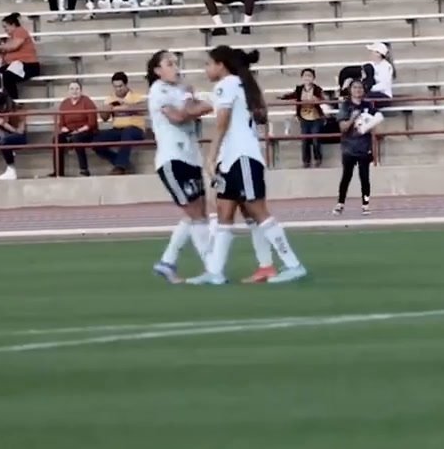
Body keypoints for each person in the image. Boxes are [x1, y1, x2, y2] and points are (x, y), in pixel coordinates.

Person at [187, 46, 307, 286]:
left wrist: (209, 157)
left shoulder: (227, 84)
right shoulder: (238, 84)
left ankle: (293, 264)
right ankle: (217, 271)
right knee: (225, 212)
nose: (206, 69)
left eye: (209, 64)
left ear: (221, 64)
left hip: (241, 157)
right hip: (232, 159)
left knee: (257, 211)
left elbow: (222, 122)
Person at [145, 50, 213, 283]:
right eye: (169, 63)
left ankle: (167, 262)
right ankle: (212, 267)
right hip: (172, 159)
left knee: (199, 213)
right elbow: (178, 117)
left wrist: (195, 105)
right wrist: (197, 106)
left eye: (176, 63)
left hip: (191, 157)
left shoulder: (182, 89)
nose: (175, 67)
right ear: (157, 70)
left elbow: (197, 108)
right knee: (196, 215)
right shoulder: (158, 91)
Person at [334, 79, 384, 215]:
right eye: (355, 87)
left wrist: (369, 125)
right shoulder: (345, 106)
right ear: (350, 90)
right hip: (349, 147)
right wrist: (352, 119)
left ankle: (365, 204)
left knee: (365, 177)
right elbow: (342, 128)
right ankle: (340, 203)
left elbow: (378, 117)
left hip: (364, 146)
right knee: (346, 176)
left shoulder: (368, 105)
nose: (358, 90)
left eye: (360, 88)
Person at [93, 71, 147, 175]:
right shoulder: (110, 98)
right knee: (96, 141)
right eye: (116, 86)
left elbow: (143, 108)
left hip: (136, 129)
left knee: (127, 133)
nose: (118, 89)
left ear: (126, 85)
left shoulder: (135, 96)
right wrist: (105, 110)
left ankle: (120, 167)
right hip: (118, 129)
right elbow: (104, 118)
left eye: (120, 86)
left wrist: (126, 107)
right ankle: (122, 162)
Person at [0, 12, 40, 100]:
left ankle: (14, 101)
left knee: (6, 77)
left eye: (5, 26)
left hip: (27, 65)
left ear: (12, 25)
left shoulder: (20, 31)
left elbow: (14, 46)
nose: (5, 29)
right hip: (15, 65)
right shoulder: (11, 37)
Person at [281, 68, 327, 168]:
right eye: (305, 76)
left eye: (309, 76)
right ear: (302, 77)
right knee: (305, 140)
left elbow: (323, 99)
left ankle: (318, 159)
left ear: (313, 78)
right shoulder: (299, 89)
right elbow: (291, 96)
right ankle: (306, 161)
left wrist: (318, 100)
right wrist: (281, 97)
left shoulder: (317, 89)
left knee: (315, 139)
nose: (307, 78)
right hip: (304, 117)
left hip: (315, 118)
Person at [52, 80, 98, 177]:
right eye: (72, 89)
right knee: (56, 139)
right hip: (70, 131)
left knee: (77, 138)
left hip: (86, 131)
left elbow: (92, 123)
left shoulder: (87, 102)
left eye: (77, 89)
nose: (74, 91)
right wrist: (64, 129)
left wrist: (78, 131)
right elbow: (61, 123)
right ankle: (58, 172)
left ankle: (84, 169)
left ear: (81, 90)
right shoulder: (64, 103)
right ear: (68, 91)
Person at [363, 41, 395, 107]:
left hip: (384, 96)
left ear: (378, 54)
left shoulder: (386, 66)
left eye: (373, 51)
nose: (371, 53)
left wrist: (369, 88)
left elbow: (384, 85)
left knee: (364, 97)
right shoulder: (370, 65)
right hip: (372, 93)